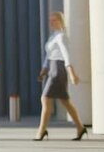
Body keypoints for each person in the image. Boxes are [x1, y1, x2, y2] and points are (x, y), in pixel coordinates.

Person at [35, 11, 88, 141]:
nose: (51, 23)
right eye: (50, 20)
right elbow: (49, 55)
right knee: (65, 101)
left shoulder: (61, 36)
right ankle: (80, 128)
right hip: (53, 69)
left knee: (45, 98)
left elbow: (66, 55)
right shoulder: (53, 36)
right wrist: (44, 70)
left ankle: (41, 130)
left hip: (59, 70)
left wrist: (72, 73)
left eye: (54, 20)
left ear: (60, 21)